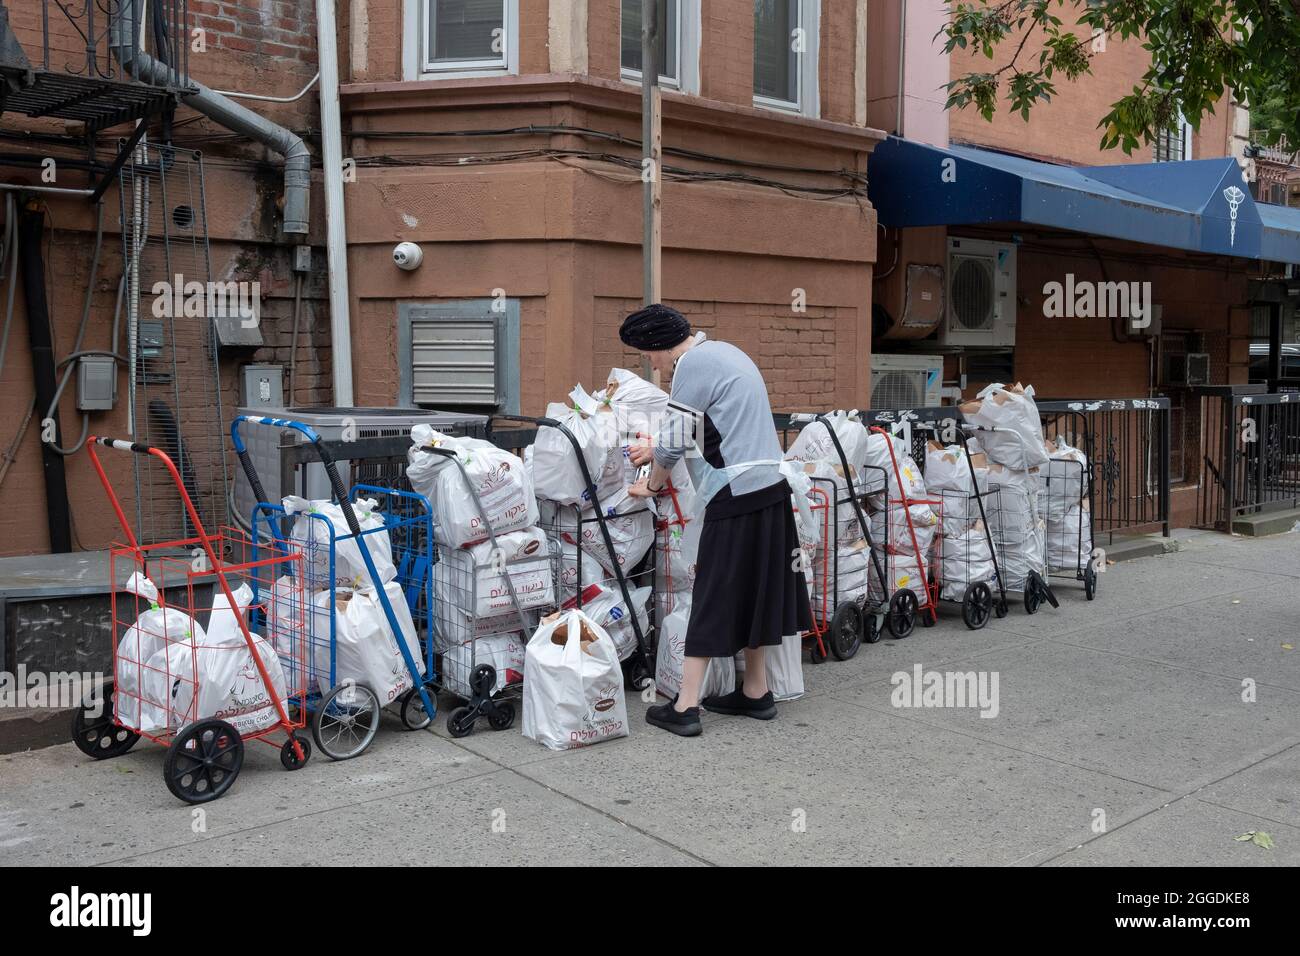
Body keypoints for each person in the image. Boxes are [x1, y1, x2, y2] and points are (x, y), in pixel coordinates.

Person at [622, 303, 811, 737]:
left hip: (735, 493)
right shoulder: (727, 352)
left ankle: (686, 706)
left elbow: (672, 443)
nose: (651, 363)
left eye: (647, 354)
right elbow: (714, 427)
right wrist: (658, 452)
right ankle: (756, 692)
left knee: (713, 589)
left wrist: (650, 485)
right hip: (770, 488)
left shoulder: (693, 365)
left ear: (658, 345)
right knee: (758, 587)